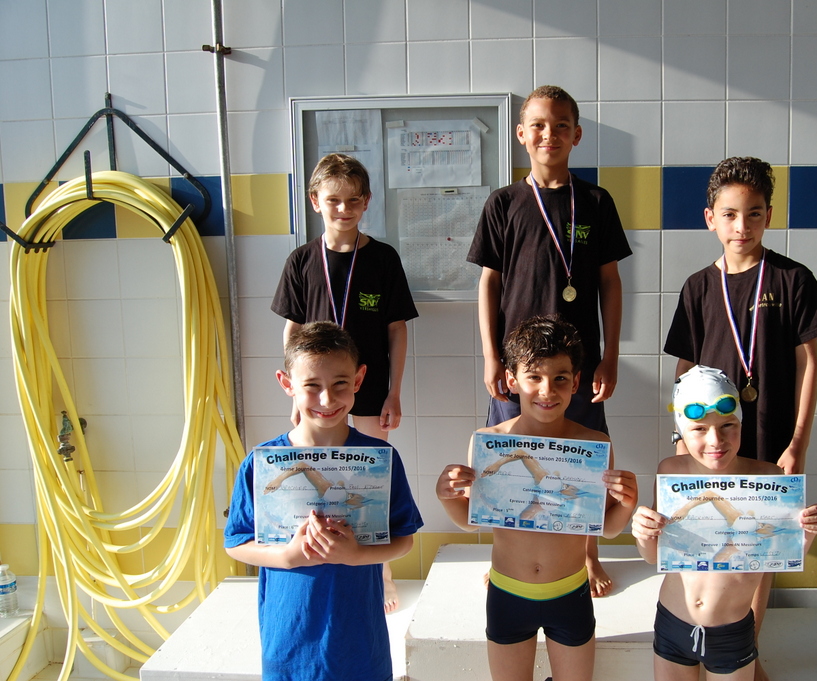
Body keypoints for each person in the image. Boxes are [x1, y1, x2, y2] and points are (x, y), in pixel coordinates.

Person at [663, 157, 817, 680]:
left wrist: (799, 441)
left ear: (769, 216)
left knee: (761, 549)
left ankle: (746, 651)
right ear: (710, 218)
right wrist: (681, 438)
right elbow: (684, 369)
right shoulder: (698, 286)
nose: (743, 226)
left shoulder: (792, 279)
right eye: (730, 214)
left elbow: (809, 363)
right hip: (715, 441)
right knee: (716, 535)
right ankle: (713, 642)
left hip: (771, 435)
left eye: (754, 213)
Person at [467, 85, 632, 597]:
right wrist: (492, 356)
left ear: (576, 135)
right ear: (521, 134)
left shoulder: (596, 202)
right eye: (538, 125)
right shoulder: (504, 203)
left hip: (574, 368)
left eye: (561, 125)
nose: (549, 134)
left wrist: (610, 356)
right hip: (519, 366)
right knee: (510, 456)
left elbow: (610, 282)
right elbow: (489, 283)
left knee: (585, 458)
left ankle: (587, 553)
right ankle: (508, 554)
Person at [436, 315, 639, 681]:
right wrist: (446, 496)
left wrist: (626, 504)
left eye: (560, 378)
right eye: (534, 377)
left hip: (570, 592)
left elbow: (607, 529)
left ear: (575, 382)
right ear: (512, 380)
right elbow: (470, 521)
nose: (547, 390)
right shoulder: (488, 441)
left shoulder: (595, 445)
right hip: (507, 593)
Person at [224, 322, 422, 681]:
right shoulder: (261, 463)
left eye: (340, 384)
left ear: (359, 380)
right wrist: (287, 557)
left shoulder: (380, 459)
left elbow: (404, 539)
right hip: (289, 642)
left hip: (360, 642)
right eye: (312, 386)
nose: (327, 400)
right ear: (287, 384)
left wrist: (356, 555)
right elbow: (236, 543)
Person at [272, 153, 418, 612]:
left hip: (367, 384)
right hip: (318, 389)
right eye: (334, 200)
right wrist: (297, 394)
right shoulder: (301, 260)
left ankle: (382, 572)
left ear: (367, 201)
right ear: (315, 201)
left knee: (372, 477)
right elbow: (292, 329)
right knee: (318, 470)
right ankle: (317, 550)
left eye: (353, 200)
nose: (344, 209)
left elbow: (397, 329)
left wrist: (394, 391)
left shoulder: (383, 258)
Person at [632, 366, 817, 681]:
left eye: (728, 425)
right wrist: (643, 533)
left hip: (732, 633)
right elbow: (653, 556)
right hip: (672, 623)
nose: (716, 440)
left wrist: (810, 531)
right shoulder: (670, 471)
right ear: (681, 430)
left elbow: (783, 556)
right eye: (699, 429)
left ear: (741, 423)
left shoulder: (769, 478)